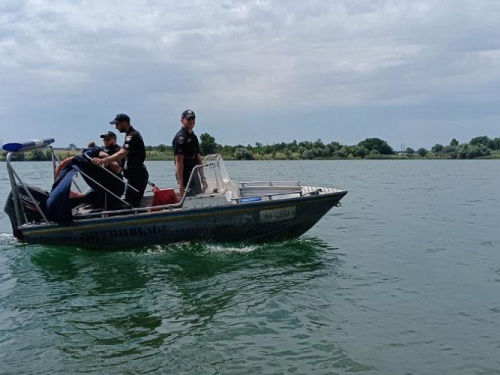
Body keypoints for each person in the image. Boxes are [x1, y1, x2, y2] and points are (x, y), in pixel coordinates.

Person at [92, 114, 149, 207]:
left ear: (125, 123)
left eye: (117, 124)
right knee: (130, 202)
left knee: (132, 204)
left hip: (138, 175)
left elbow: (122, 154)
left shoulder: (132, 135)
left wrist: (103, 160)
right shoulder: (129, 135)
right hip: (133, 175)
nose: (116, 127)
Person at [172, 109, 208, 197]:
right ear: (182, 120)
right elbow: (179, 163)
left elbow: (198, 158)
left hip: (194, 172)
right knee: (189, 198)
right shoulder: (181, 138)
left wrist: (202, 177)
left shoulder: (193, 137)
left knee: (198, 195)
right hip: (185, 174)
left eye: (193, 119)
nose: (191, 121)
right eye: (188, 119)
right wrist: (181, 184)